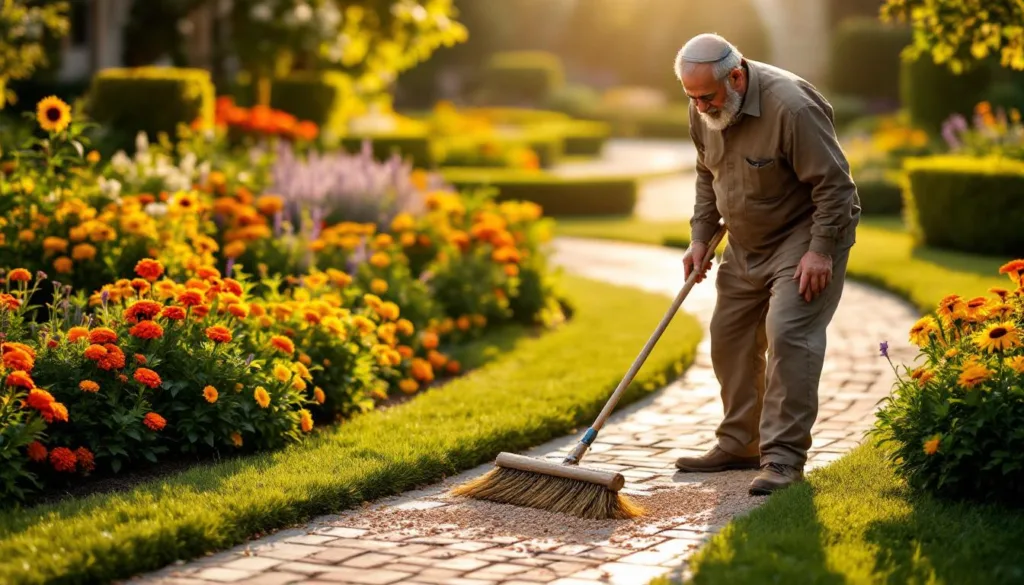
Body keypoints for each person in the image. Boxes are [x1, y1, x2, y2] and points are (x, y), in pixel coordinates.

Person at [671, 33, 861, 495]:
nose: (699, 107)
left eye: (706, 97)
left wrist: (820, 250)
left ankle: (782, 459)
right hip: (746, 241)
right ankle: (741, 444)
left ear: (736, 76)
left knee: (789, 333)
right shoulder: (706, 107)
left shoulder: (791, 108)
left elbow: (836, 189)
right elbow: (705, 172)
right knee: (729, 335)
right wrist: (700, 238)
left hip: (805, 235)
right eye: (691, 97)